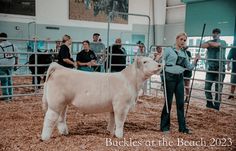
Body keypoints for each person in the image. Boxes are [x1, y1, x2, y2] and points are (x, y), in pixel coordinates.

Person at [160, 32, 199, 134]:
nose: (183, 42)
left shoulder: (184, 53)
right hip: (169, 77)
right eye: (181, 39)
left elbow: (189, 67)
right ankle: (165, 127)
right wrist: (161, 61)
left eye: (184, 40)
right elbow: (161, 61)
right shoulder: (169, 50)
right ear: (177, 39)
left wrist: (195, 61)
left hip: (180, 78)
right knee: (168, 103)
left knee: (180, 104)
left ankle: (182, 128)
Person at [201, 28, 227, 110]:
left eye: (217, 33)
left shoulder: (223, 42)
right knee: (207, 87)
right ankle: (209, 103)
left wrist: (209, 44)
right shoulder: (210, 42)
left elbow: (217, 45)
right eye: (214, 33)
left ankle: (217, 106)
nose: (215, 34)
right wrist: (210, 43)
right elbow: (203, 45)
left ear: (220, 34)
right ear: (212, 34)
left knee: (218, 88)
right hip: (211, 68)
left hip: (220, 68)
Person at [0, 32, 18, 102]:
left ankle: (6, 98)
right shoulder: (13, 46)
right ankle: (10, 96)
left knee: (4, 81)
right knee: (10, 81)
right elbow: (17, 56)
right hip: (11, 65)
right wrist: (16, 64)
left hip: (2, 65)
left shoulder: (0, 46)